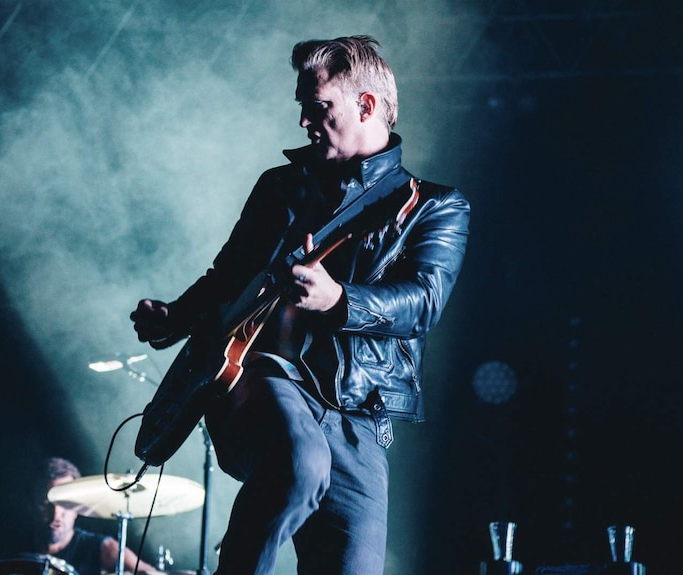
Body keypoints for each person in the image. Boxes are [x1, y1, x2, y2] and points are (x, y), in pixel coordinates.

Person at [130, 36, 470, 575]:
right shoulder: (279, 188)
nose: (305, 122)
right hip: (260, 379)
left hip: (356, 414)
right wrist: (175, 316)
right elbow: (227, 277)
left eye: (319, 108)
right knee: (299, 464)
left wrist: (339, 300)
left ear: (366, 105)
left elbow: (424, 301)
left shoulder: (433, 207)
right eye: (303, 109)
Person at [30, 457, 174, 575]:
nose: (56, 513)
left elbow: (150, 573)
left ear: (77, 508)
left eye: (65, 504)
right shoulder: (14, 545)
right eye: (46, 503)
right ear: (32, 504)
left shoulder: (101, 548)